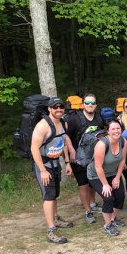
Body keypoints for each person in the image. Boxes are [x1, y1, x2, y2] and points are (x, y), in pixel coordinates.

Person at [31, 97, 74, 244]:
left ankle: (55, 219)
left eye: (61, 107)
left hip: (56, 163)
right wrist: (42, 170)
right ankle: (51, 230)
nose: (59, 109)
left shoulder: (63, 122)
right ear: (49, 109)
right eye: (55, 107)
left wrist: (67, 162)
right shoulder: (43, 126)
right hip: (44, 165)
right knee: (49, 196)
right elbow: (34, 148)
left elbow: (63, 142)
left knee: (55, 193)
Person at [65, 93, 103, 224]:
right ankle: (88, 211)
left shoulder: (99, 118)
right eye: (87, 103)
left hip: (94, 156)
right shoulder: (74, 119)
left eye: (92, 103)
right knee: (84, 185)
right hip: (78, 158)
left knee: (93, 181)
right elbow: (65, 137)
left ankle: (93, 204)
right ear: (82, 105)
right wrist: (70, 153)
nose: (90, 105)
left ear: (96, 105)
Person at [87, 120, 127, 237]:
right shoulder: (102, 144)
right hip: (96, 175)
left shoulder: (123, 141)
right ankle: (107, 224)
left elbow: (122, 161)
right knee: (108, 197)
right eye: (113, 129)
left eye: (118, 128)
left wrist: (117, 177)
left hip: (113, 173)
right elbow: (98, 166)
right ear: (108, 131)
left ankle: (113, 219)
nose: (116, 131)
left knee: (120, 195)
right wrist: (105, 184)